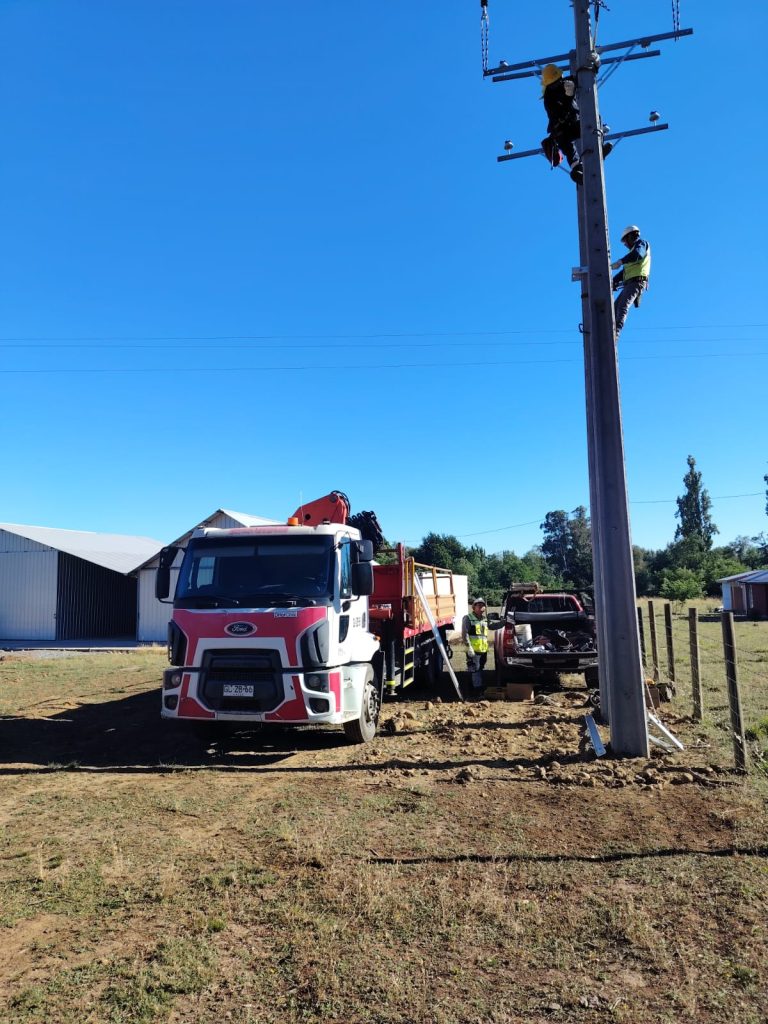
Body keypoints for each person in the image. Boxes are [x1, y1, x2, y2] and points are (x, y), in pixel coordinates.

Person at [540, 64, 613, 184]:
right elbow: (559, 113)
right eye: (554, 84)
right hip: (562, 129)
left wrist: (594, 66)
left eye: (558, 81)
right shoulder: (549, 98)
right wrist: (569, 97)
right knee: (568, 146)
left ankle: (599, 148)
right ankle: (577, 169)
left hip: (575, 123)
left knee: (595, 118)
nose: (557, 84)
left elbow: (586, 75)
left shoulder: (567, 82)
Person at [611, 225, 651, 337]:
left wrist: (620, 261)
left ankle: (615, 334)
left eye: (625, 240)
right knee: (613, 309)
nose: (625, 244)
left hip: (637, 283)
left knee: (622, 306)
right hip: (630, 284)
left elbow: (638, 255)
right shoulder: (632, 253)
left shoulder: (641, 244)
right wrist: (611, 281)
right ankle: (609, 331)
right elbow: (624, 272)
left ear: (631, 236)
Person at [461, 598, 502, 695]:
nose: (481, 608)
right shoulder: (468, 618)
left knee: (480, 668)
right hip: (473, 650)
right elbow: (464, 634)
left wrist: (504, 622)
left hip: (483, 650)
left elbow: (493, 626)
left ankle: (474, 689)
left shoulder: (484, 619)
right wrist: (469, 646)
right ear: (473, 607)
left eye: (483, 606)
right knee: (474, 669)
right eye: (478, 605)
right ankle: (476, 691)